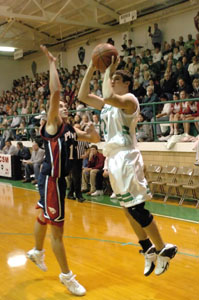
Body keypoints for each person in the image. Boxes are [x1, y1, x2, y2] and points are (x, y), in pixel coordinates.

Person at [78, 52, 177, 277]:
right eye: (111, 79)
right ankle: (147, 249)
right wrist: (91, 68)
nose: (111, 81)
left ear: (127, 84)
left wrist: (107, 71)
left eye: (116, 79)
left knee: (136, 209)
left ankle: (164, 249)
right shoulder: (106, 103)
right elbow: (83, 94)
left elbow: (108, 94)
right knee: (126, 209)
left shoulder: (130, 100)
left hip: (127, 157)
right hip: (113, 158)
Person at [27, 45, 100, 297]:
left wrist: (91, 129)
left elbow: (94, 139)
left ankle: (36, 251)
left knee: (43, 217)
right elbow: (55, 91)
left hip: (56, 181)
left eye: (66, 106)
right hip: (51, 180)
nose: (65, 106)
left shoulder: (69, 129)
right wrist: (52, 63)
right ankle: (67, 277)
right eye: (61, 107)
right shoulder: (52, 125)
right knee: (57, 230)